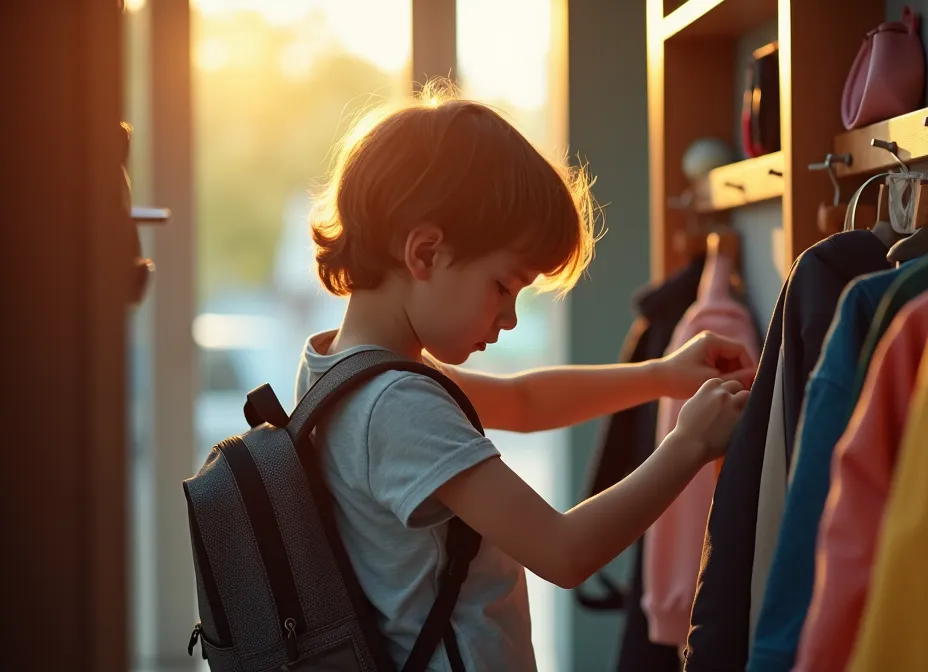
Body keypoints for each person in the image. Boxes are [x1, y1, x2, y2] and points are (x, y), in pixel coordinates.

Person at [295, 81, 755, 671]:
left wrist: (662, 375)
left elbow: (524, 402)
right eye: (504, 286)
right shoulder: (397, 405)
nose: (510, 318)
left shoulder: (343, 369)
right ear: (425, 253)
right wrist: (689, 443)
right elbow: (563, 553)